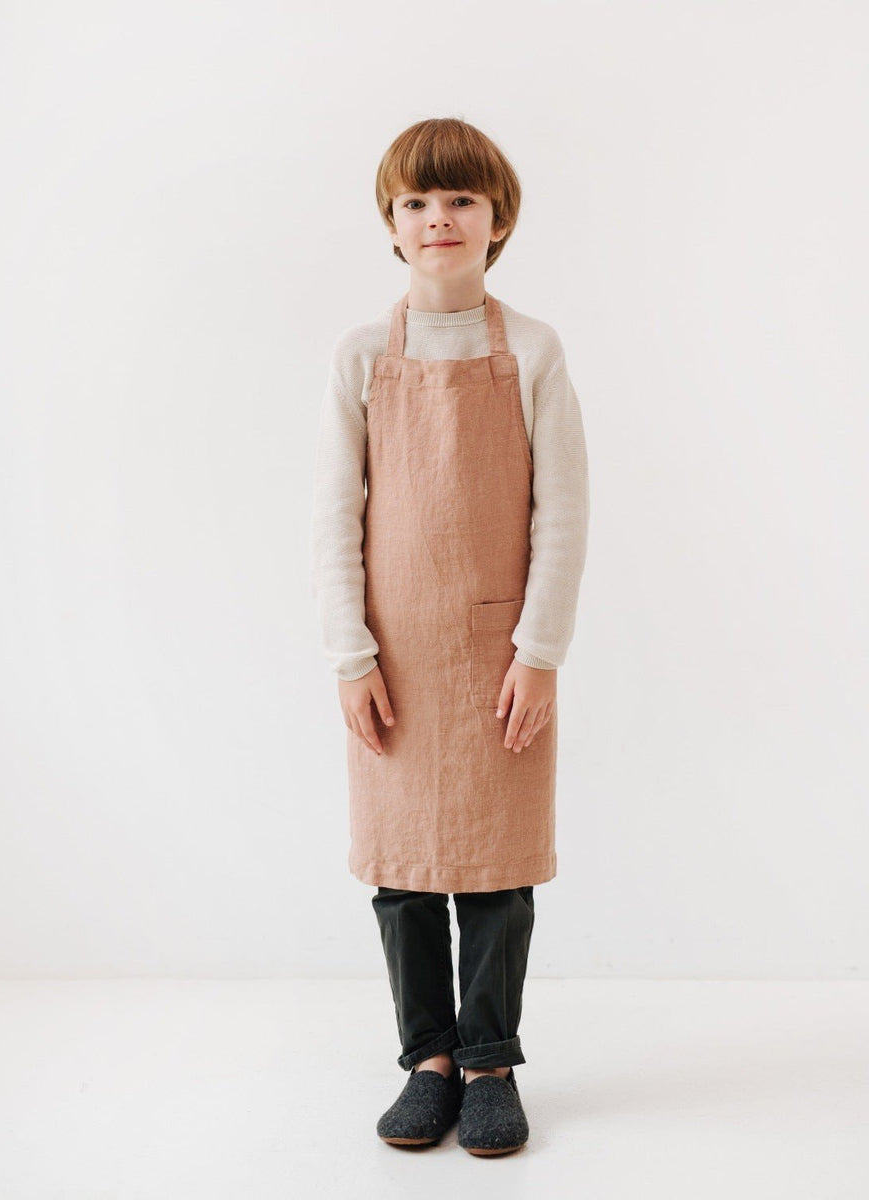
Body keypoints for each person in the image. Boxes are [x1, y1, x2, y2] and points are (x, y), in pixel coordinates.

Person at [310, 117, 590, 1155]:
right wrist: (351, 653)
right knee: (404, 869)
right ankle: (426, 1056)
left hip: (498, 656)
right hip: (394, 658)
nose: (440, 219)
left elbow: (561, 511)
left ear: (497, 219)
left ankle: (489, 1061)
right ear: (391, 224)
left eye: (461, 201)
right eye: (417, 204)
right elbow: (335, 514)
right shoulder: (358, 357)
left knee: (497, 869)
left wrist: (541, 649)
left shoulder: (535, 351)